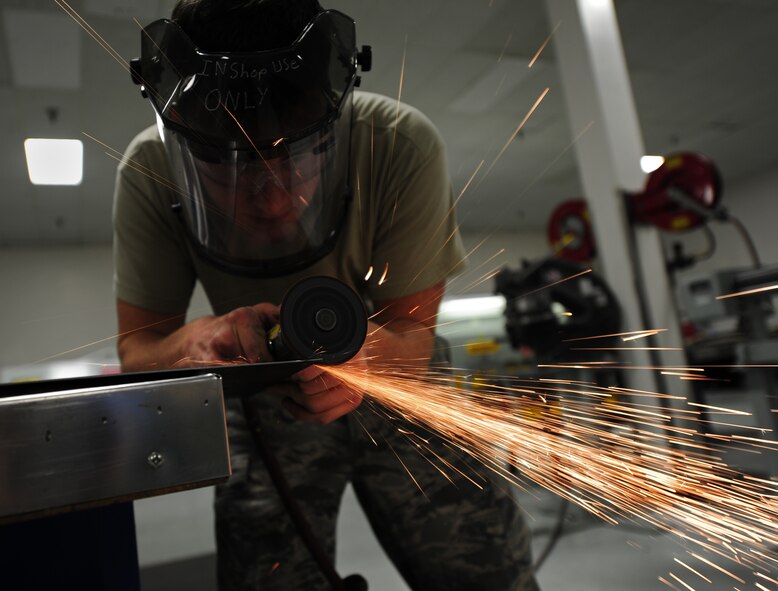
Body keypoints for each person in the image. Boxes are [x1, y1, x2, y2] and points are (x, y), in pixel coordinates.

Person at [114, 0, 540, 589]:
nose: (266, 198)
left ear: (332, 120)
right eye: (224, 167)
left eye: (295, 160)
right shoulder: (148, 170)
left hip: (394, 374)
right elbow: (138, 354)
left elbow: (413, 341)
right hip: (258, 385)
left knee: (487, 572)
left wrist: (362, 355)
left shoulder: (398, 144)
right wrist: (197, 342)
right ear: (182, 128)